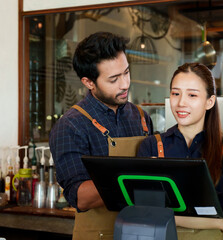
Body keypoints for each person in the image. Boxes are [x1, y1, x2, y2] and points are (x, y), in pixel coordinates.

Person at [49, 31, 153, 240]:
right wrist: (141, 173)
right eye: (114, 79)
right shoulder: (70, 126)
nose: (124, 84)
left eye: (126, 72)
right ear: (88, 82)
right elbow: (80, 197)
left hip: (143, 233)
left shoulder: (141, 117)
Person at [137, 63, 223, 239]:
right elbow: (141, 211)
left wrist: (165, 216)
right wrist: (208, 220)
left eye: (192, 95)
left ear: (210, 101)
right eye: (175, 93)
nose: (181, 103)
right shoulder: (151, 146)